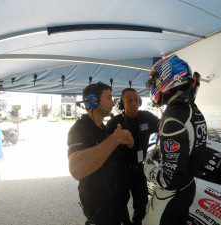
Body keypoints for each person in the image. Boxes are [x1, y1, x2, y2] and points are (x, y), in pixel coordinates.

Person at [144, 54, 207, 225]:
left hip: (172, 195)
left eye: (155, 82)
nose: (153, 87)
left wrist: (149, 169)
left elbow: (169, 180)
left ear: (168, 79)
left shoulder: (174, 120)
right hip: (188, 186)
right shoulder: (194, 110)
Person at [67, 82, 134, 225]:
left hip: (114, 207)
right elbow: (76, 170)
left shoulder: (103, 128)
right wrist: (115, 139)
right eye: (109, 98)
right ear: (93, 101)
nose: (113, 102)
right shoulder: (79, 129)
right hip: (99, 213)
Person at [106, 88, 159, 225]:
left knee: (141, 204)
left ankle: (136, 222)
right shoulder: (114, 123)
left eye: (136, 100)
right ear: (122, 103)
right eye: (129, 101)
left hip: (139, 169)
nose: (134, 103)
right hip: (120, 171)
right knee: (120, 203)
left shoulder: (147, 117)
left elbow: (164, 127)